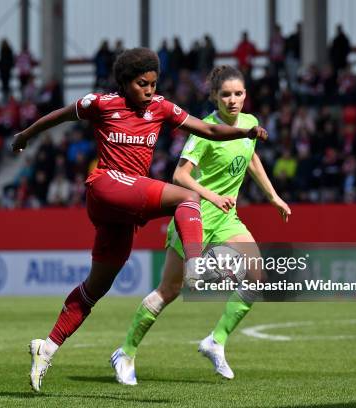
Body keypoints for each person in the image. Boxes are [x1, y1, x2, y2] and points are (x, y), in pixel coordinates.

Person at [11, 47, 268, 392]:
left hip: (124, 210)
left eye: (153, 83)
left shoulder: (160, 107)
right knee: (188, 196)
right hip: (105, 187)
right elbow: (58, 116)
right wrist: (25, 135)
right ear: (124, 82)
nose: (149, 90)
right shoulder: (101, 104)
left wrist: (244, 133)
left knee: (96, 288)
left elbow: (207, 129)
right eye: (142, 84)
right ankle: (196, 265)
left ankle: (48, 346)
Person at [110, 65, 290, 385]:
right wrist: (212, 195)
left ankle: (215, 341)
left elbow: (250, 158)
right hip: (193, 217)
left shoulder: (250, 124)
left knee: (258, 276)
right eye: (225, 95)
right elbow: (180, 176)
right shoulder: (203, 130)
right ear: (214, 97)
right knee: (169, 290)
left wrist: (273, 196)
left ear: (245, 95)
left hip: (225, 218)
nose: (232, 100)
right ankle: (125, 352)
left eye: (238, 94)